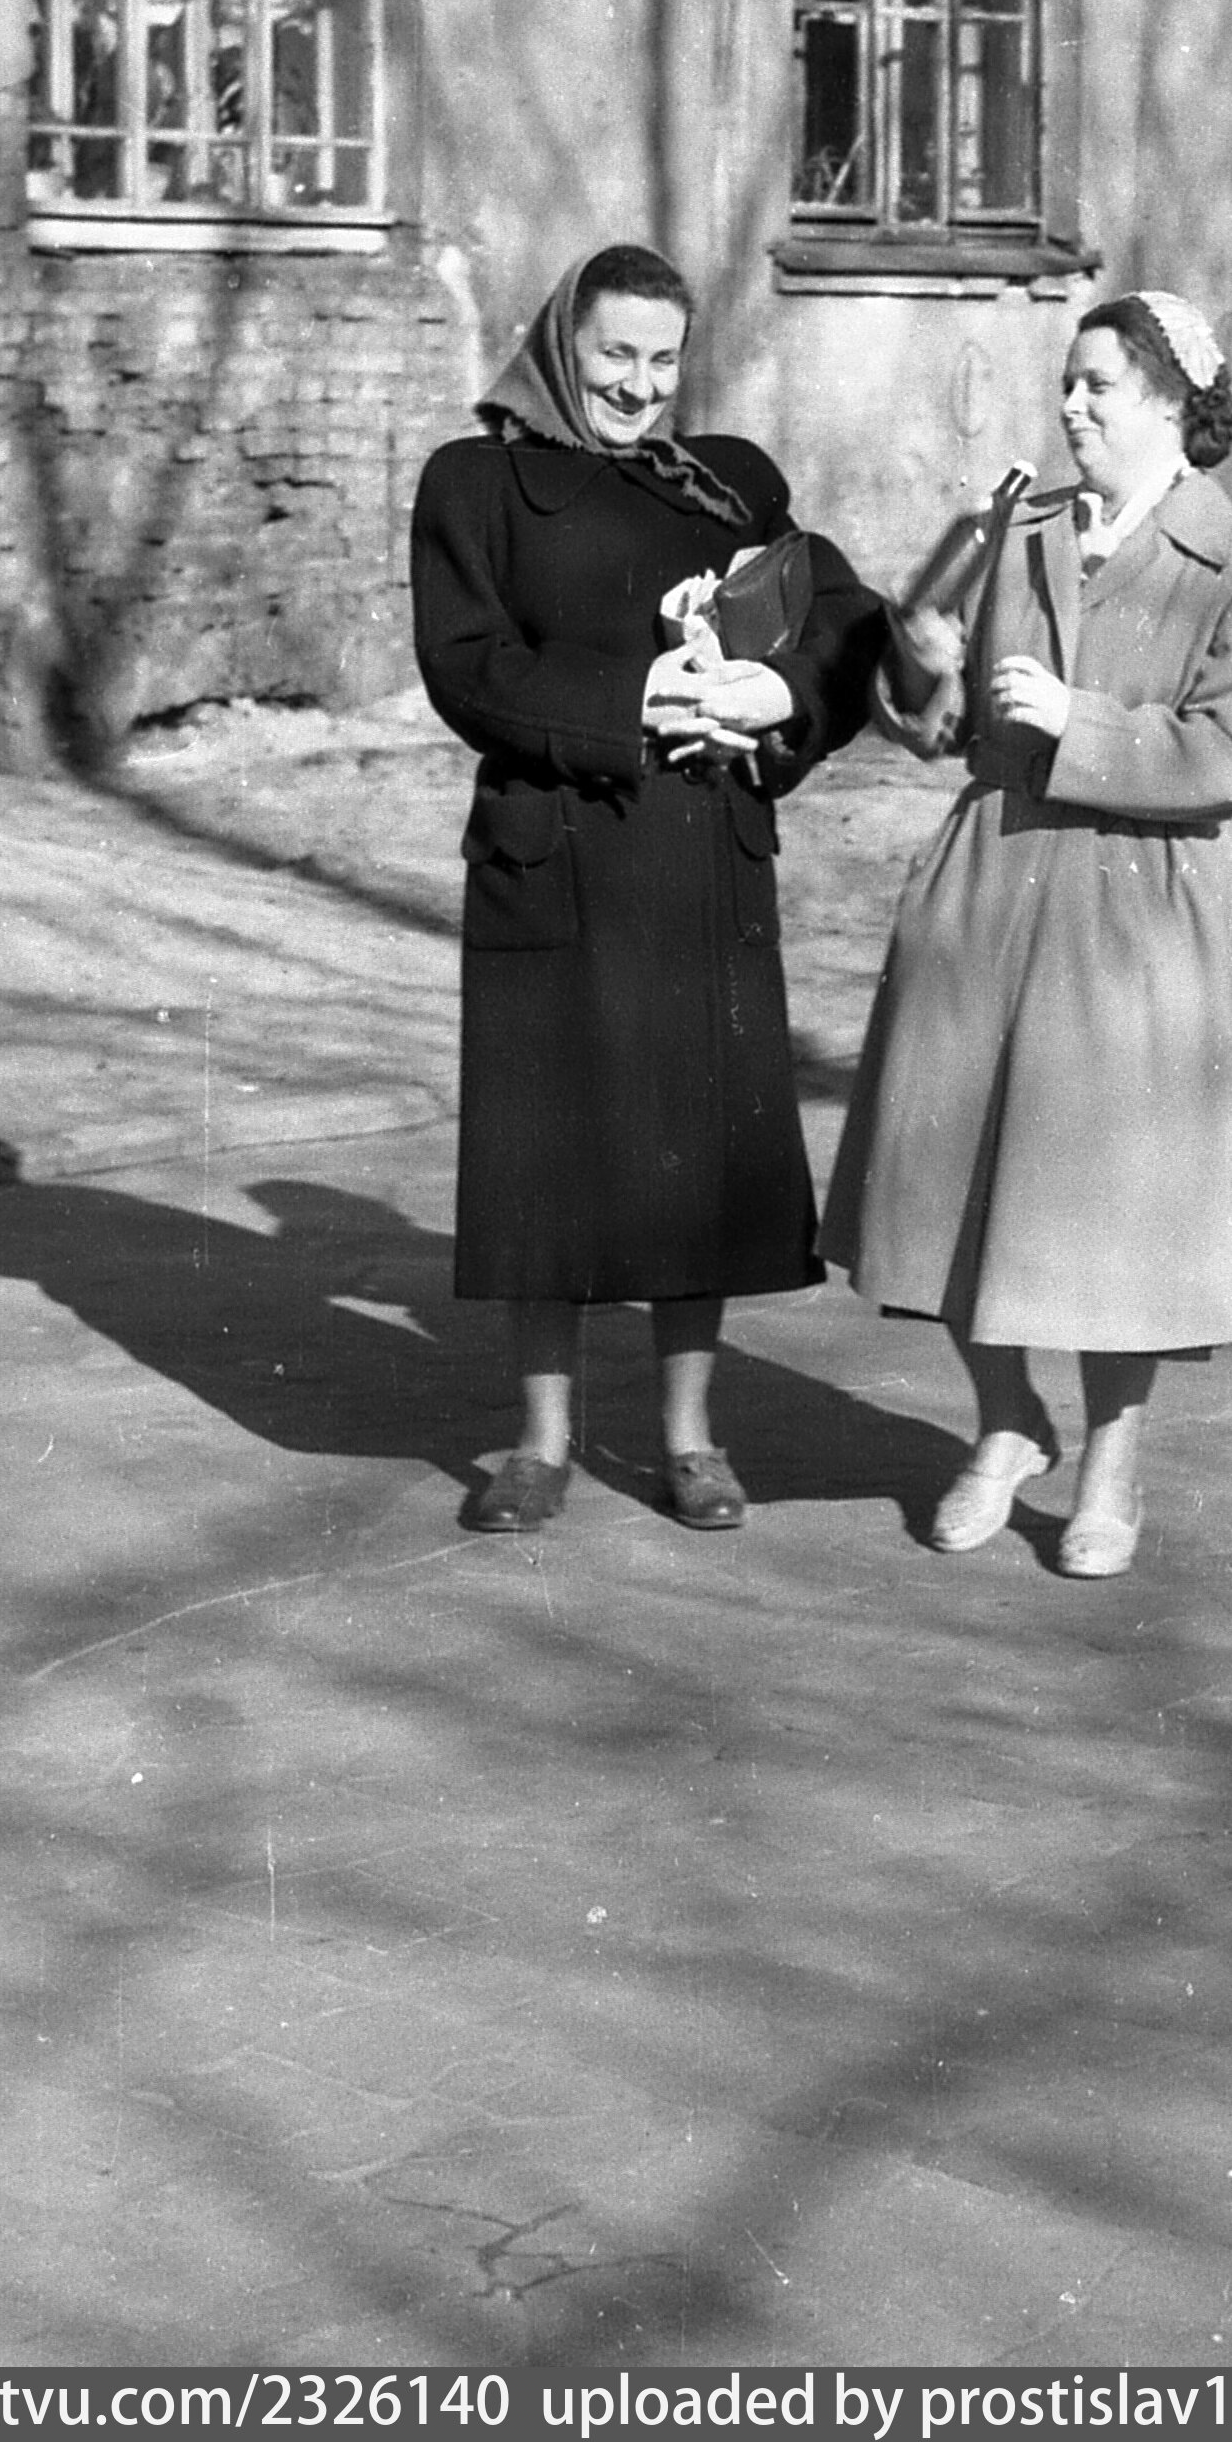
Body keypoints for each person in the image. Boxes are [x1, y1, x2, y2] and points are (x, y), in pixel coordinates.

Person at [820, 291, 1232, 1578]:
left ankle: (1111, 1465)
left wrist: (1077, 719)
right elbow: (936, 727)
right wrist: (922, 662)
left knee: (1112, 1203)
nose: (1072, 406)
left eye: (1098, 384)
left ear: (1171, 403)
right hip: (988, 872)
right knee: (941, 1170)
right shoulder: (1016, 528)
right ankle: (1006, 1421)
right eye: (1068, 383)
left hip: (1134, 898)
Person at [411, 244, 885, 1536]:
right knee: (542, 1163)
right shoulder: (475, 482)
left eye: (663, 359)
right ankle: (539, 1444)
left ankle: (690, 1437)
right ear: (561, 345)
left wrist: (774, 691)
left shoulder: (725, 481)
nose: (639, 384)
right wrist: (635, 695)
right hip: (555, 857)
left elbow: (842, 613)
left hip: (696, 854)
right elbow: (467, 666)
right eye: (615, 354)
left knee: (700, 1160)